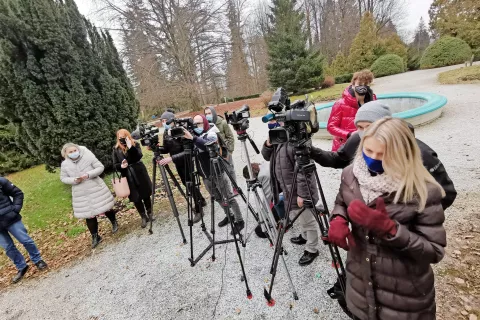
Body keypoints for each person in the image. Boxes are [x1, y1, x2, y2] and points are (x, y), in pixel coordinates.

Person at [328, 117, 446, 320]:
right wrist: (338, 218)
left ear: (402, 154)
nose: (372, 159)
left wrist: (390, 230)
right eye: (368, 151)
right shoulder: (351, 174)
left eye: (383, 155)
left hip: (404, 301)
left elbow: (434, 252)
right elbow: (342, 201)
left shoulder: (423, 190)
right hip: (360, 288)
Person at [312, 100, 457, 210]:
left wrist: (412, 218)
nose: (364, 132)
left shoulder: (420, 153)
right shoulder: (357, 139)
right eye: (359, 127)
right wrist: (312, 152)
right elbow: (338, 160)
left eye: (369, 127)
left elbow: (447, 193)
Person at [261, 123, 320, 266]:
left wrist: (303, 194)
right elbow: (267, 156)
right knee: (296, 214)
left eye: (282, 120)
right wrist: (268, 143)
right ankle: (305, 236)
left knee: (308, 218)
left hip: (300, 189)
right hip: (287, 187)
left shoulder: (297, 138)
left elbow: (304, 170)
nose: (278, 123)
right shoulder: (279, 136)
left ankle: (312, 249)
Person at [182, 115, 244, 234]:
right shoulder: (194, 136)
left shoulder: (212, 133)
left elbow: (206, 145)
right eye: (195, 123)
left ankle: (239, 220)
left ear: (205, 123)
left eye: (199, 123)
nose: (197, 126)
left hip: (217, 172)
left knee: (229, 197)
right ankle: (229, 215)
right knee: (217, 198)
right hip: (205, 175)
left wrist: (193, 138)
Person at [60, 143, 117, 248]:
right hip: (81, 192)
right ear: (66, 154)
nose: (73, 153)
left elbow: (100, 167)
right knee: (89, 214)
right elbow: (63, 178)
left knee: (105, 207)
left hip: (95, 187)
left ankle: (114, 222)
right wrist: (73, 180)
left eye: (74, 150)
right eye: (70, 152)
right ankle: (95, 236)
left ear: (78, 149)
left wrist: (89, 174)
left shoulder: (88, 156)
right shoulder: (65, 165)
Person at [157, 110, 206, 223]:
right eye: (162, 121)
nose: (164, 123)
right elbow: (166, 149)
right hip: (177, 163)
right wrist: (157, 148)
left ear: (172, 120)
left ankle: (199, 210)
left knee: (190, 184)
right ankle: (201, 200)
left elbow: (188, 151)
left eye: (166, 120)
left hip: (187, 161)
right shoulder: (166, 132)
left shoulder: (182, 131)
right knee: (186, 184)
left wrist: (171, 158)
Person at [0, 177, 47, 283]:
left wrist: (15, 209)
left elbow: (17, 193)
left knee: (25, 240)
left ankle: (37, 260)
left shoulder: (1, 181)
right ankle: (22, 267)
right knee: (8, 248)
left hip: (11, 218)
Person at [112, 130, 153, 228]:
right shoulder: (116, 148)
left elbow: (139, 156)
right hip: (127, 174)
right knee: (135, 197)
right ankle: (143, 216)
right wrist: (121, 166)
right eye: (120, 136)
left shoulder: (135, 144)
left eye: (124, 136)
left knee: (145, 193)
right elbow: (114, 165)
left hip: (139, 171)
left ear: (128, 135)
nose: (122, 138)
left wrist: (131, 147)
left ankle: (150, 212)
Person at [327, 70, 375, 151]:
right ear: (353, 85)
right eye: (359, 84)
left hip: (366, 146)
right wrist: (348, 135)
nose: (362, 87)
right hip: (345, 147)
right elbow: (331, 127)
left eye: (366, 84)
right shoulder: (340, 104)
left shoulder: (373, 101)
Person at [242, 162, 285, 238]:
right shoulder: (262, 165)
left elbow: (267, 197)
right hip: (284, 183)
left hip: (284, 190)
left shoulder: (263, 175)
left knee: (259, 230)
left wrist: (263, 215)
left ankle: (281, 221)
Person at [204, 106, 238, 193]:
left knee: (230, 169)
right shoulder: (205, 125)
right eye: (206, 114)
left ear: (213, 113)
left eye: (209, 113)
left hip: (225, 150)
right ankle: (227, 192)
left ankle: (235, 187)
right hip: (215, 152)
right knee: (221, 173)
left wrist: (230, 151)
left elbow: (230, 137)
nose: (208, 115)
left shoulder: (222, 122)